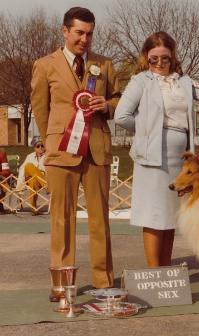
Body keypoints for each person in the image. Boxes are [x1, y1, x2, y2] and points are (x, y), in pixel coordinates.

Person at [115, 31, 199, 267]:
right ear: (146, 57)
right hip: (152, 156)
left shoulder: (183, 81)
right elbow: (121, 116)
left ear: (172, 57)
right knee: (153, 216)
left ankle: (166, 271)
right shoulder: (141, 81)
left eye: (164, 58)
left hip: (181, 159)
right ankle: (154, 270)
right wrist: (148, 131)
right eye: (153, 58)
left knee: (169, 215)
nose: (158, 64)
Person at [31, 7, 121, 297]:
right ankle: (62, 284)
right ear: (65, 31)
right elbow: (40, 109)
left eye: (90, 33)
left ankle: (103, 282)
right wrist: (52, 141)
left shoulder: (104, 64)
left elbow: (120, 99)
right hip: (61, 151)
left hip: (97, 150)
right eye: (79, 32)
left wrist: (107, 105)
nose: (85, 39)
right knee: (61, 218)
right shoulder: (44, 65)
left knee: (100, 219)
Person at [15, 138, 46, 215]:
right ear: (34, 148)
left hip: (39, 179)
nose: (40, 148)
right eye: (38, 146)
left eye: (42, 146)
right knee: (29, 166)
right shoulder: (30, 156)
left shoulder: (48, 156)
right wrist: (20, 186)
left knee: (33, 181)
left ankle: (33, 207)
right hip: (30, 178)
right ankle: (46, 185)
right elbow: (22, 170)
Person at [0, 148, 11, 214]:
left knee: (3, 183)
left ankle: (0, 205)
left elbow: (6, 172)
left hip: (1, 179)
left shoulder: (2, 153)